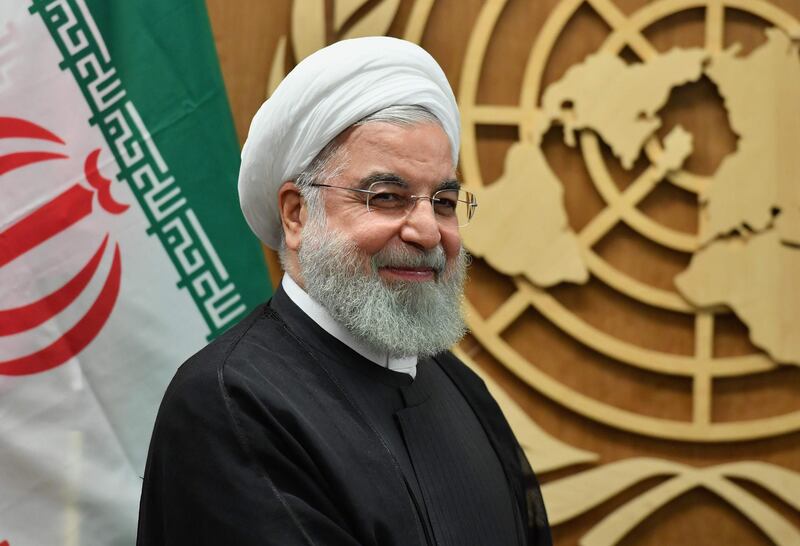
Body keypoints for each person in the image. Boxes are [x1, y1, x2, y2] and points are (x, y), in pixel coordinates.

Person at [137, 37, 551, 546]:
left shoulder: (456, 383)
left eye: (443, 201)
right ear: (296, 213)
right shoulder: (230, 402)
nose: (427, 231)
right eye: (387, 197)